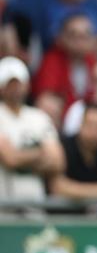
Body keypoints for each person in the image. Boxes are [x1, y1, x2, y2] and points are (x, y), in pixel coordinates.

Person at [0, 56, 65, 207]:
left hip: (35, 206)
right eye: (10, 84)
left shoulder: (39, 117)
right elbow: (11, 159)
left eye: (19, 83)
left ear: (27, 85)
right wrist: (40, 152)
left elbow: (58, 162)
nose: (15, 88)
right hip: (3, 209)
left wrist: (20, 156)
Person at [50, 102, 97, 203]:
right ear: (81, 124)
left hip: (96, 214)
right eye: (92, 125)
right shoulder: (64, 145)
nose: (96, 132)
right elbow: (57, 187)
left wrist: (76, 191)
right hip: (59, 213)